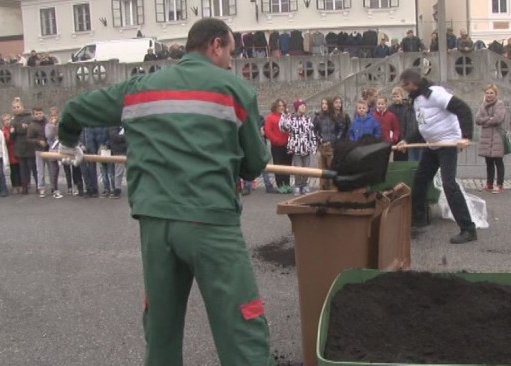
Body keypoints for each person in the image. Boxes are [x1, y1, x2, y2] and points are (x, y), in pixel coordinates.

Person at [56, 18, 273, 366]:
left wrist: (67, 141)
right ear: (216, 45)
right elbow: (255, 164)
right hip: (210, 223)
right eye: (231, 51)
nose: (232, 61)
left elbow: (75, 109)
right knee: (241, 325)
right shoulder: (234, 89)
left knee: (161, 328)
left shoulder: (140, 88)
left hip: (156, 225)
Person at [395, 68, 476, 244]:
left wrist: (466, 136)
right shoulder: (417, 100)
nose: (403, 88)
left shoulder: (435, 93)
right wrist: (406, 141)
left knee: (449, 184)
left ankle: (468, 229)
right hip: (432, 145)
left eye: (405, 85)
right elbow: (424, 127)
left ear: (414, 83)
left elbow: (463, 109)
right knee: (421, 179)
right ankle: (418, 219)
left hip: (447, 144)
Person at [280, 99, 318, 195]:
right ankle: (297, 185)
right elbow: (284, 128)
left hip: (306, 147)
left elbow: (311, 133)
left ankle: (304, 185)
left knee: (306, 168)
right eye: (301, 106)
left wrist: (313, 145)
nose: (303, 107)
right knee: (298, 167)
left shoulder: (307, 119)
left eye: (304, 106)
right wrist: (284, 116)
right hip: (296, 147)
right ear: (297, 108)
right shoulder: (291, 118)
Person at [475, 84, 507, 194]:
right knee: (488, 162)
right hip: (486, 137)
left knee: (498, 161)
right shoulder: (483, 105)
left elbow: (498, 119)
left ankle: (499, 184)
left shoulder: (499, 104)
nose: (489, 95)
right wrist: (489, 118)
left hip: (497, 136)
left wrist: (486, 120)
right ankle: (489, 184)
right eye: (487, 93)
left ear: (495, 94)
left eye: (491, 93)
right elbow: (477, 119)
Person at [313, 97, 344, 190]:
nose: (324, 106)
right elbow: (314, 131)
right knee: (322, 169)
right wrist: (320, 140)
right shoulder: (318, 117)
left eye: (326, 104)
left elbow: (341, 130)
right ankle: (323, 187)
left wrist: (335, 140)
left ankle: (333, 187)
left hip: (332, 146)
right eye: (322, 104)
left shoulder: (335, 116)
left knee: (331, 167)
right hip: (322, 145)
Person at [264, 98, 293, 193]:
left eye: (283, 106)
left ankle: (287, 184)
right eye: (279, 106)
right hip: (277, 146)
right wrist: (276, 140)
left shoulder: (287, 117)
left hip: (287, 145)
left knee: (287, 166)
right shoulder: (270, 117)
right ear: (275, 107)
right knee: (279, 165)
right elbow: (268, 131)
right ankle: (280, 185)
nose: (281, 107)